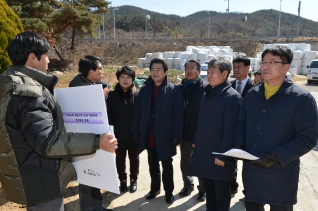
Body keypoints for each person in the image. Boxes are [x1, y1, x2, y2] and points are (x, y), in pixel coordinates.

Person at [0, 32, 117, 211]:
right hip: (41, 181)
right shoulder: (29, 92)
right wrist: (96, 141)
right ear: (32, 57)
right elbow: (48, 142)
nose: (48, 60)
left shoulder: (8, 83)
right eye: (46, 55)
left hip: (24, 172)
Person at [233, 46, 318, 211]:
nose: (266, 66)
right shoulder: (252, 95)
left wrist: (275, 157)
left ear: (286, 67)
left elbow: (308, 138)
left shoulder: (301, 99)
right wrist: (238, 143)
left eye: (272, 62)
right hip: (253, 172)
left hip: (281, 174)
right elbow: (242, 123)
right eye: (264, 62)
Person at [188, 58, 242, 211]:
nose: (209, 75)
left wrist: (223, 155)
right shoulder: (208, 93)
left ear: (225, 74)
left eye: (213, 72)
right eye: (208, 72)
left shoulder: (232, 98)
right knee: (210, 193)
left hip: (219, 156)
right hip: (205, 151)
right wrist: (195, 140)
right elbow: (201, 119)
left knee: (221, 195)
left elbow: (231, 130)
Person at [131, 58, 183, 203]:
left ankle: (168, 191)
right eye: (153, 69)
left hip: (166, 136)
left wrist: (177, 135)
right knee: (152, 164)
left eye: (158, 69)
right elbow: (138, 111)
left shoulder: (173, 90)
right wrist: (136, 130)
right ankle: (154, 188)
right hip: (149, 135)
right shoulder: (145, 90)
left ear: (165, 72)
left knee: (167, 165)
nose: (155, 72)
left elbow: (179, 114)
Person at [69, 55, 113, 211]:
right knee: (87, 177)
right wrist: (98, 98)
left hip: (94, 139)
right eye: (100, 68)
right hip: (85, 140)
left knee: (95, 175)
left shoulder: (89, 83)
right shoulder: (78, 89)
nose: (102, 71)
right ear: (90, 71)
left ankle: (97, 206)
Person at [106, 66, 139, 193]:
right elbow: (109, 115)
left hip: (133, 134)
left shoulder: (137, 95)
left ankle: (133, 180)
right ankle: (123, 180)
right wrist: (111, 132)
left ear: (132, 79)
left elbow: (140, 115)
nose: (125, 80)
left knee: (134, 158)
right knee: (120, 158)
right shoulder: (112, 96)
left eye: (128, 77)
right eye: (122, 77)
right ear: (118, 79)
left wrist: (138, 132)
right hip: (118, 134)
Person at [178, 60, 207, 201]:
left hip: (199, 133)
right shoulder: (179, 88)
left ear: (199, 71)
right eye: (187, 68)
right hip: (184, 132)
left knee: (200, 162)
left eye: (193, 68)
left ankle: (203, 189)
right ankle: (187, 185)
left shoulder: (205, 88)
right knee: (185, 162)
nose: (189, 71)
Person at [230, 55, 254, 195]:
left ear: (247, 68)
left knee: (248, 164)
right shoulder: (228, 86)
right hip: (231, 130)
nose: (236, 69)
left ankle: (248, 191)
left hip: (248, 131)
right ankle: (232, 186)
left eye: (239, 67)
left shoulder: (255, 88)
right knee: (230, 161)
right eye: (234, 67)